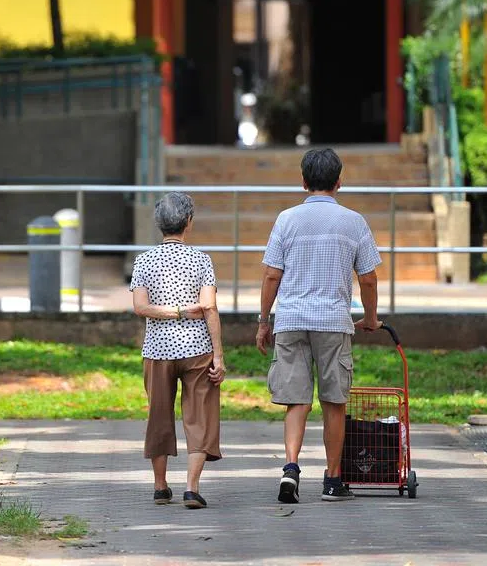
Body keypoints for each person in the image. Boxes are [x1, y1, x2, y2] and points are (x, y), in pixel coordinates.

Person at [256, 148, 381, 503]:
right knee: (333, 402)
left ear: (304, 182)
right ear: (339, 181)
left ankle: (291, 469)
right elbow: (368, 278)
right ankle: (332, 480)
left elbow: (270, 275)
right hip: (332, 321)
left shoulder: (286, 219)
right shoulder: (353, 221)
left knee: (296, 401)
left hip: (291, 320)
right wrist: (370, 319)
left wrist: (264, 322)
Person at [130, 192, 226, 509]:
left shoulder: (143, 260)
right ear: (188, 222)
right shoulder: (201, 259)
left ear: (159, 225)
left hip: (157, 350)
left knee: (159, 415)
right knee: (199, 417)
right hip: (197, 349)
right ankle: (191, 488)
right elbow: (209, 307)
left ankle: (160, 486)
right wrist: (219, 355)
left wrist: (171, 312)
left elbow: (140, 307)